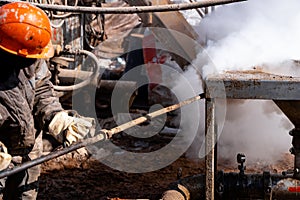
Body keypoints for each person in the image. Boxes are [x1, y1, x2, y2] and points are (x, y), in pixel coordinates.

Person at [0, 2, 95, 199]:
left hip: (28, 147)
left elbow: (42, 90)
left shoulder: (30, 53)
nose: (31, 62)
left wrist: (57, 118)